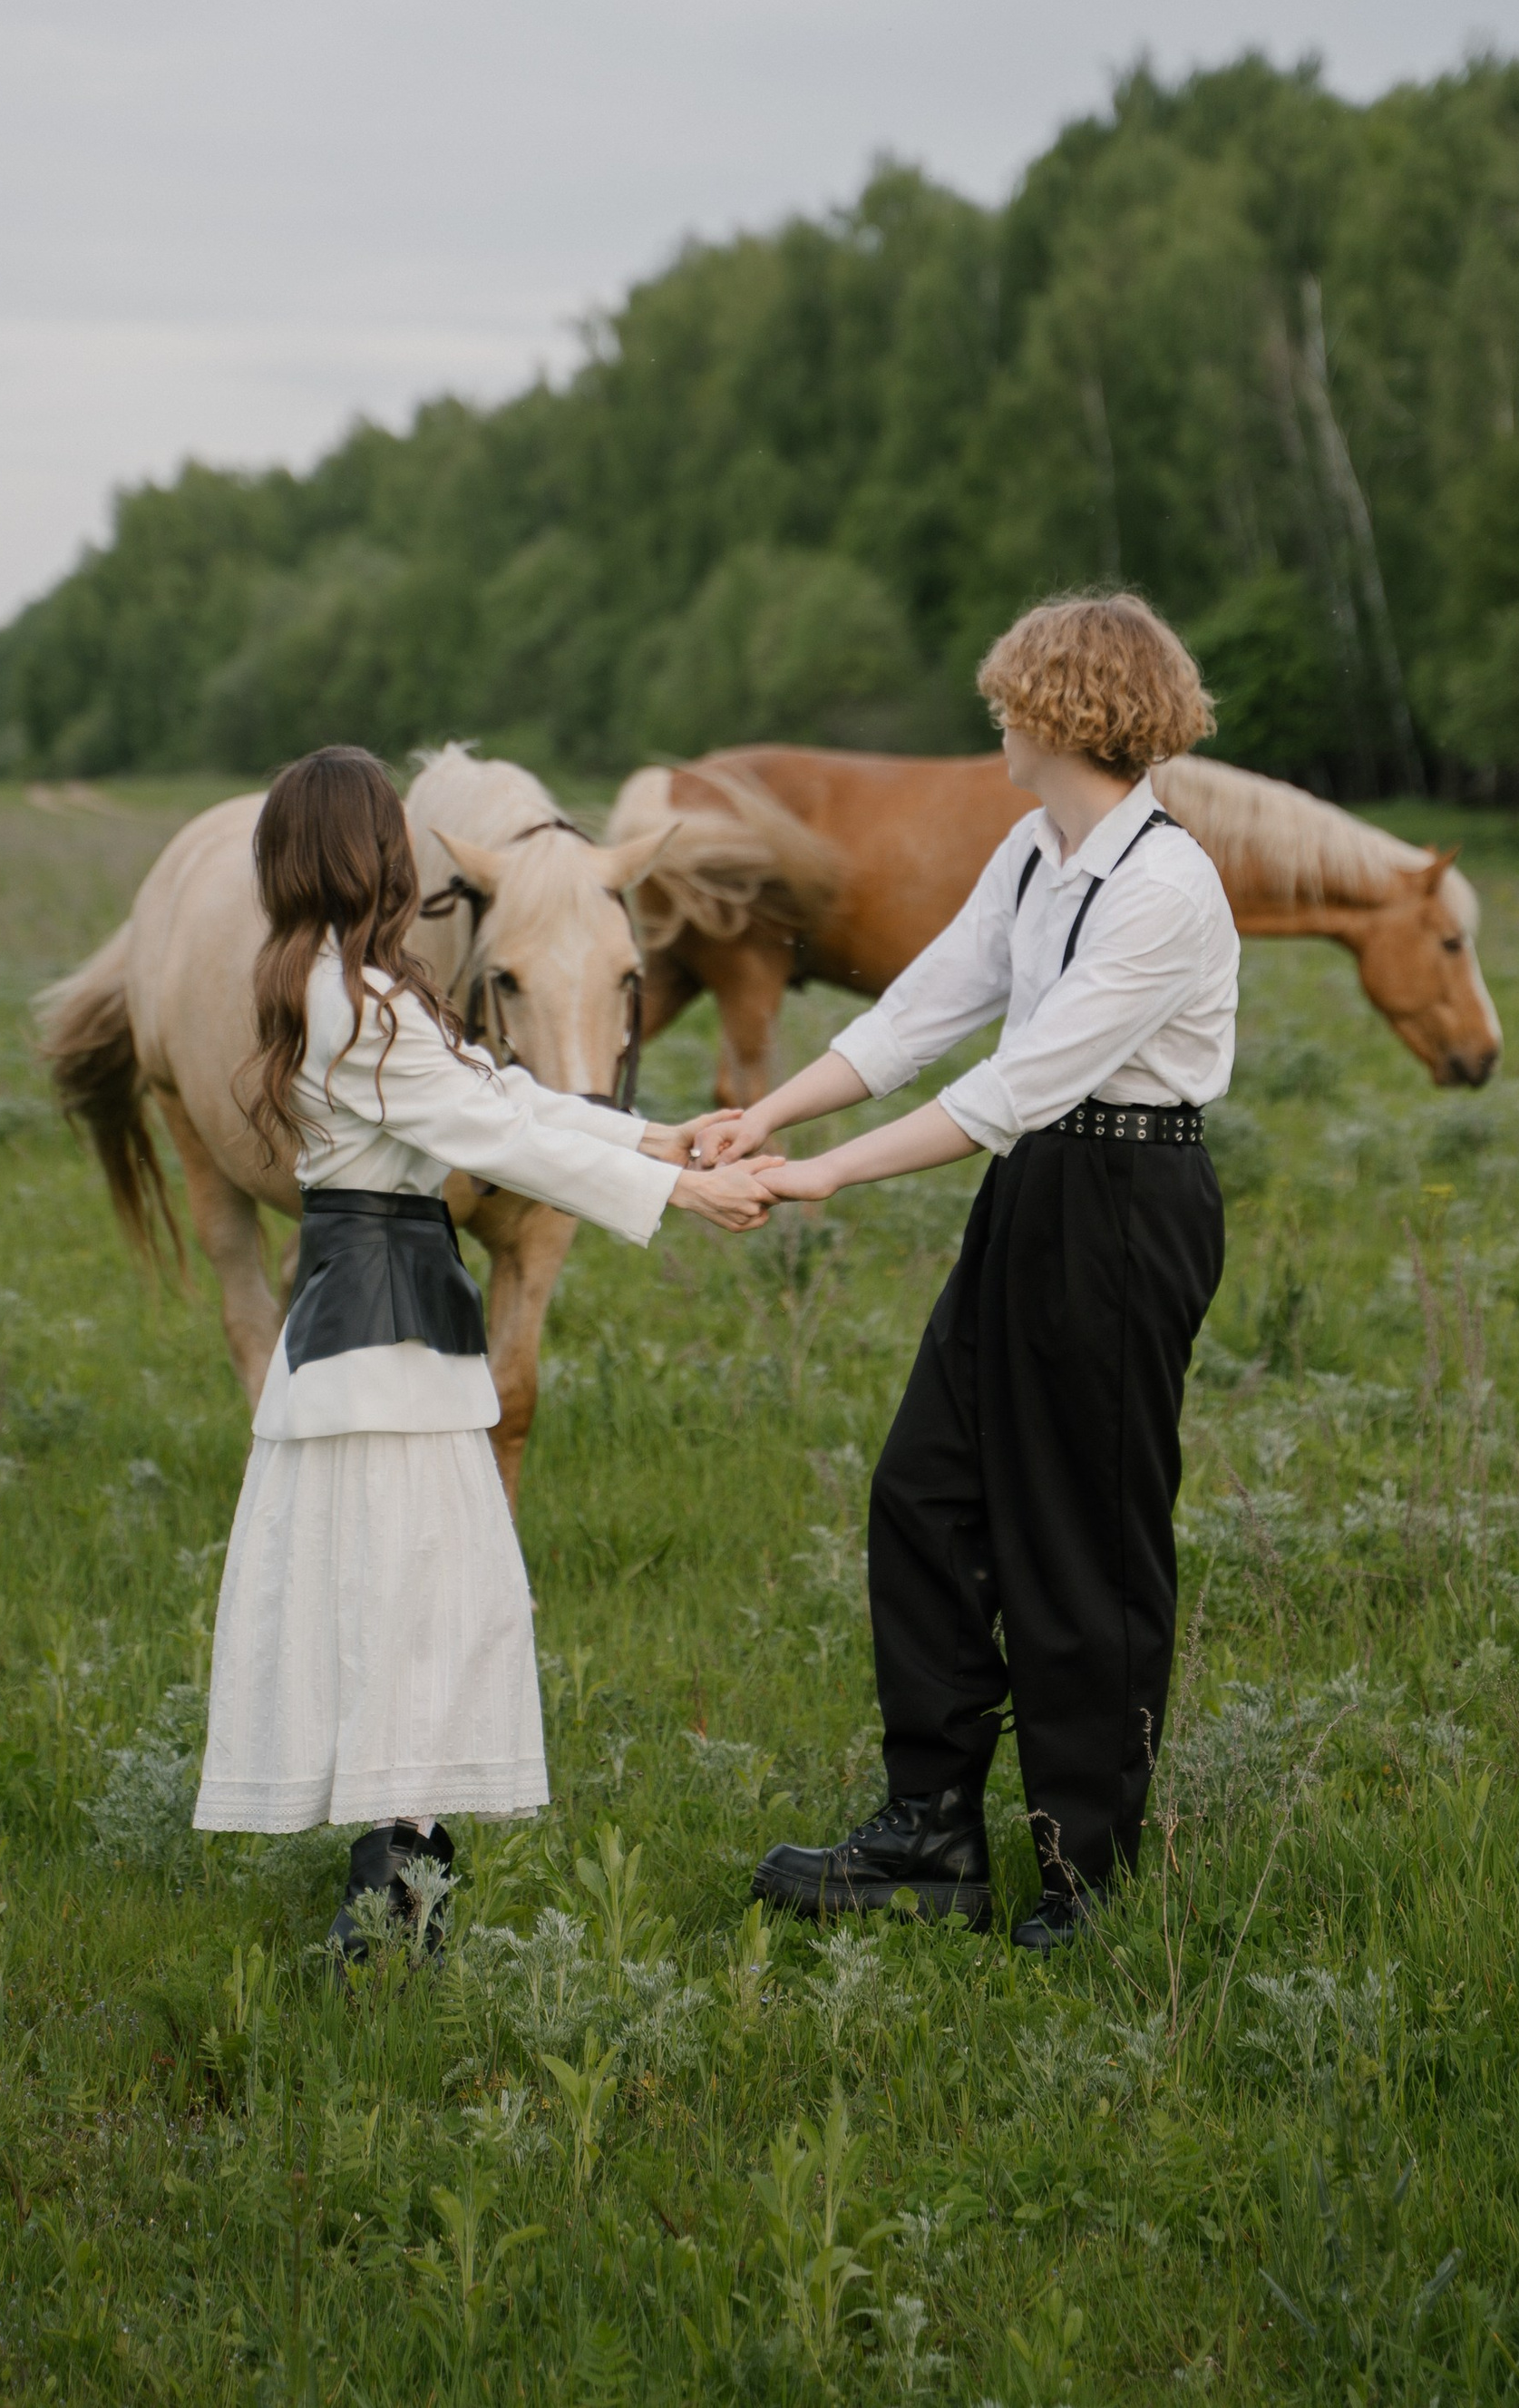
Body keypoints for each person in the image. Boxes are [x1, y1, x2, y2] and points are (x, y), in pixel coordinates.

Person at [692, 592, 1237, 1953]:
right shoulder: (1034, 850)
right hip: (1033, 1191)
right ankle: (928, 1830)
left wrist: (826, 1176)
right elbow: (923, 1012)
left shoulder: (1167, 884)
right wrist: (772, 1117)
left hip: (1124, 1196)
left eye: (1011, 696)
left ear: (1065, 711)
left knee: (1082, 1543)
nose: (994, 713)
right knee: (925, 1496)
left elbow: (1019, 1082)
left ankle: (1086, 1876)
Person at [191, 745, 772, 1956]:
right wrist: (674, 1199)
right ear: (376, 859)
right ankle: (391, 1915)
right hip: (380, 1350)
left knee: (427, 1608)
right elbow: (483, 1127)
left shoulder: (349, 986)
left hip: (389, 1338)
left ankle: (400, 1905)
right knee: (417, 1609)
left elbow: (503, 1097)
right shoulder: (355, 1000)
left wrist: (655, 1139)